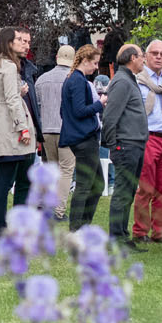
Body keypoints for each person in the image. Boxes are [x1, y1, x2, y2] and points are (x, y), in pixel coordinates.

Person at [0, 26, 38, 237]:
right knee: (7, 180)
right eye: (18, 40)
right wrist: (23, 128)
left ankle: (3, 224)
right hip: (9, 128)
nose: (24, 43)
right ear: (8, 43)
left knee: (5, 179)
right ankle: (1, 225)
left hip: (1, 125)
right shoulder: (8, 67)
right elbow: (12, 100)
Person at [131, 40, 162, 246]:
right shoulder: (138, 81)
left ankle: (159, 232)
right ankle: (140, 231)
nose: (159, 57)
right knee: (145, 188)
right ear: (146, 56)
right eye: (155, 53)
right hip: (148, 137)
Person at [100, 42, 148, 246]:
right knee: (122, 191)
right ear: (132, 58)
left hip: (134, 143)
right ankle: (116, 237)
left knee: (128, 190)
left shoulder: (129, 80)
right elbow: (110, 116)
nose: (144, 59)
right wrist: (112, 144)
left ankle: (122, 234)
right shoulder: (121, 81)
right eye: (141, 55)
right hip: (125, 144)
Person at [61, 42, 105, 230]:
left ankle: (82, 226)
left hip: (80, 137)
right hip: (84, 138)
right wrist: (100, 104)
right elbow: (79, 110)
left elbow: (65, 112)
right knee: (85, 185)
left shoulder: (71, 78)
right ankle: (76, 228)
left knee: (97, 184)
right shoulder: (77, 80)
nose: (96, 67)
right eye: (94, 63)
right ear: (85, 61)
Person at [34, 44, 74, 166]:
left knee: (51, 169)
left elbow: (37, 108)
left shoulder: (41, 80)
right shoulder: (75, 79)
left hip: (46, 129)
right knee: (67, 170)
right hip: (67, 130)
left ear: (57, 57)